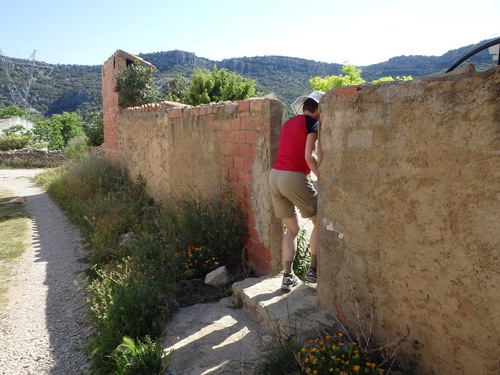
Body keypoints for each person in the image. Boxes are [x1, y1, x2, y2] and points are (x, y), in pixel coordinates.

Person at [269, 91, 324, 292]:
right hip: (293, 176)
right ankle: (314, 270)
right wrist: (321, 177)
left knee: (292, 229)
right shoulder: (313, 124)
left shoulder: (289, 123)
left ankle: (287, 277)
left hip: (275, 175)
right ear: (318, 110)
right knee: (320, 220)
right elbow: (310, 156)